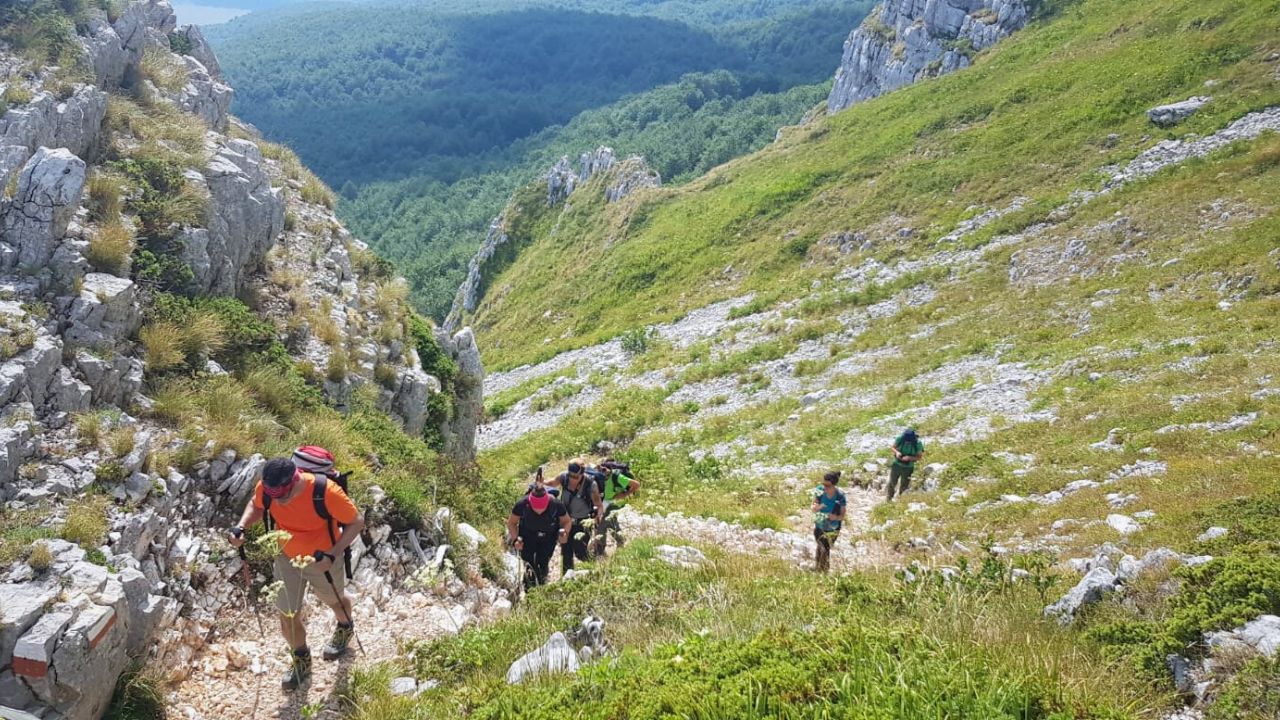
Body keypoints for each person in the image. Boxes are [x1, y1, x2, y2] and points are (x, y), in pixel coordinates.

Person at [230, 457, 365, 690]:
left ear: (295, 480)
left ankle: (345, 626)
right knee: (287, 612)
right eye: (275, 497)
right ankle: (301, 659)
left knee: (333, 600)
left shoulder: (326, 491)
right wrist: (241, 527)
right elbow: (257, 505)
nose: (279, 502)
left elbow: (356, 522)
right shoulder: (269, 489)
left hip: (322, 559)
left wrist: (332, 554)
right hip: (285, 556)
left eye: (283, 496)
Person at [506, 479, 571, 590]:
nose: (539, 511)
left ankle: (541, 584)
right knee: (528, 562)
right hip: (527, 536)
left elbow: (566, 521)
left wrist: (565, 533)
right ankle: (529, 590)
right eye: (535, 508)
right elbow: (511, 523)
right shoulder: (522, 504)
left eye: (542, 508)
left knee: (543, 562)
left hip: (548, 537)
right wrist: (515, 539)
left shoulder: (555, 504)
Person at [555, 461, 604, 573]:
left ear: (582, 473)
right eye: (571, 475)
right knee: (566, 552)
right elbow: (552, 482)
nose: (572, 478)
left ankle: (593, 570)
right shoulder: (564, 477)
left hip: (582, 523)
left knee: (580, 551)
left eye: (575, 476)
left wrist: (596, 518)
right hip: (565, 522)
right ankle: (567, 578)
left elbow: (599, 505)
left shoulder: (590, 484)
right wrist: (541, 482)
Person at [593, 459, 639, 556]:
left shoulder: (616, 476)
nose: (603, 471)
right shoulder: (596, 475)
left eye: (605, 470)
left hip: (612, 502)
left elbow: (636, 484)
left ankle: (599, 552)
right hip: (602, 501)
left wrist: (624, 494)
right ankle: (620, 541)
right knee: (610, 521)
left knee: (602, 524)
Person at [811, 470, 847, 573]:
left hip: (833, 527)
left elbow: (842, 515)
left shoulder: (840, 496)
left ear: (834, 485)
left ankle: (821, 570)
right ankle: (822, 570)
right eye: (824, 484)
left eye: (828, 485)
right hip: (819, 524)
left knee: (825, 548)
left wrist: (835, 517)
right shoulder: (819, 490)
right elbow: (813, 507)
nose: (825, 487)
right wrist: (818, 507)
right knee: (822, 546)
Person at [886, 427, 925, 500]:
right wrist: (897, 452)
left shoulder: (918, 443)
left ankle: (901, 499)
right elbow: (892, 447)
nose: (907, 442)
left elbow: (919, 457)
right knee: (892, 482)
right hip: (896, 465)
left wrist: (909, 458)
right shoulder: (900, 438)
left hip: (908, 467)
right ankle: (889, 499)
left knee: (904, 484)